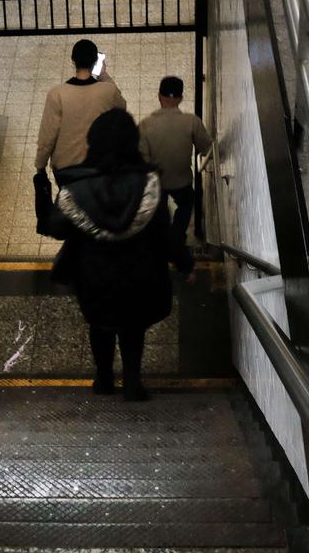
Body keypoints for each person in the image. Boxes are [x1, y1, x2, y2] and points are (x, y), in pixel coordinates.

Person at [39, 108, 195, 401]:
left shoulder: (77, 188)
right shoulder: (150, 185)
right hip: (142, 276)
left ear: (93, 142)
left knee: (100, 325)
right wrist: (185, 263)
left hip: (93, 277)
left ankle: (104, 379)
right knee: (133, 328)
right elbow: (166, 235)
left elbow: (56, 227)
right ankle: (133, 384)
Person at [138, 76, 212, 257]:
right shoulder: (191, 121)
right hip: (182, 179)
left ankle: (161, 240)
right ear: (180, 98)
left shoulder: (145, 125)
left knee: (159, 210)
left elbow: (142, 159)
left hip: (157, 183)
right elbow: (206, 148)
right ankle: (177, 237)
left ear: (158, 96)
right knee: (186, 203)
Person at [34, 39, 128, 178]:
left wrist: (40, 166)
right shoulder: (108, 91)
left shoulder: (57, 94)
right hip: (99, 166)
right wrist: (104, 75)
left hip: (66, 169)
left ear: (73, 61)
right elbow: (122, 107)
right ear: (96, 61)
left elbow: (47, 137)